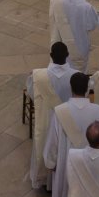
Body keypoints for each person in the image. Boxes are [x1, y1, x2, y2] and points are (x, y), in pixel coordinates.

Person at [43, 73, 99, 197]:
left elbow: (53, 143)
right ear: (87, 89)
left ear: (71, 88)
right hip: (92, 163)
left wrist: (51, 163)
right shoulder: (97, 110)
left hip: (66, 165)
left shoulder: (60, 111)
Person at [27, 42, 77, 189]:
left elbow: (32, 94)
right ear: (68, 56)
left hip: (47, 119)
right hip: (68, 120)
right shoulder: (76, 76)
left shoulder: (38, 76)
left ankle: (43, 178)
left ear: (50, 56)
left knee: (44, 145)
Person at [48, 0, 99, 72]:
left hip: (60, 44)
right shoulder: (87, 7)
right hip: (78, 46)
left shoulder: (55, 0)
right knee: (77, 76)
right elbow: (92, 26)